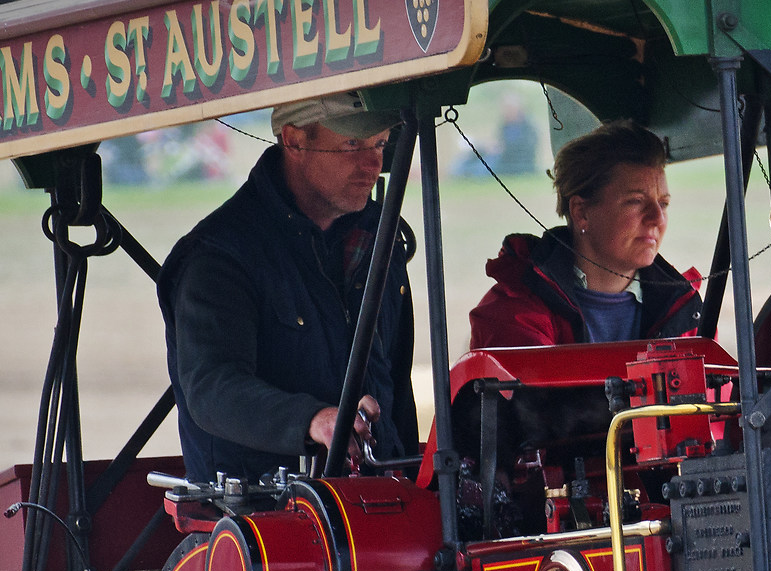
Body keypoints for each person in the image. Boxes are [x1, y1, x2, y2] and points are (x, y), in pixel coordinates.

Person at [157, 92, 416, 484]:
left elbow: (395, 385)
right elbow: (211, 390)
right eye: (352, 145)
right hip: (259, 517)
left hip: (376, 495)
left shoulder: (379, 241)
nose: (373, 163)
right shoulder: (220, 255)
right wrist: (314, 421)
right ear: (294, 140)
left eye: (379, 143)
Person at [467, 119, 701, 348]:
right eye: (636, 201)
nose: (657, 219)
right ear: (581, 212)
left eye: (664, 204)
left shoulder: (685, 314)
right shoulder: (514, 312)